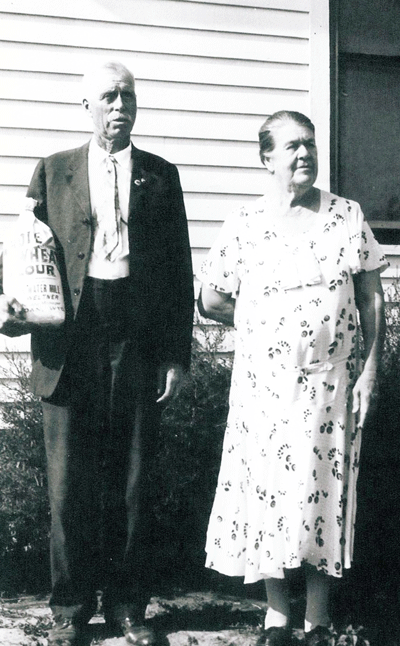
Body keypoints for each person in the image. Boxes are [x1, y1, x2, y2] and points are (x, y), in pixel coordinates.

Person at [0, 60, 194, 646]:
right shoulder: (53, 171)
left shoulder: (161, 176)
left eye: (128, 96)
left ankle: (129, 607)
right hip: (70, 338)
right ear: (86, 106)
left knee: (133, 479)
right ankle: (70, 608)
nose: (119, 106)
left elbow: (179, 272)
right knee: (69, 482)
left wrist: (176, 355)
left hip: (135, 335)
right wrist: (12, 308)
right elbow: (23, 251)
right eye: (108, 96)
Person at [198, 111, 386, 646]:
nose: (305, 154)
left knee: (323, 492)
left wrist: (370, 372)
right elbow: (211, 296)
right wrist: (257, 317)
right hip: (264, 389)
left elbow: (371, 296)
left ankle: (318, 619)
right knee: (270, 493)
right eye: (292, 147)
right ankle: (277, 617)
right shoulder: (244, 223)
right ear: (266, 158)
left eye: (310, 145)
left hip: (331, 385)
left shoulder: (347, 216)